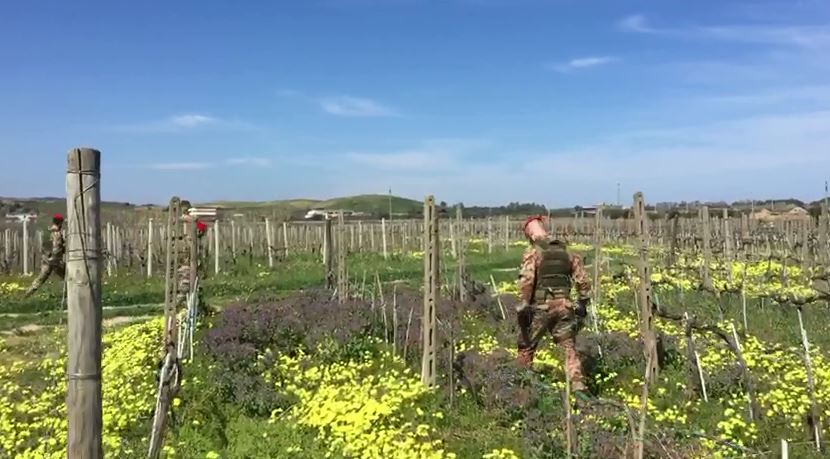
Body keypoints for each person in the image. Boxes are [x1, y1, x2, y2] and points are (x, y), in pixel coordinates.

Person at [516, 215, 592, 395]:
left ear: (531, 235)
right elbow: (583, 282)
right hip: (564, 307)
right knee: (568, 348)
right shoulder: (567, 251)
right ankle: (578, 388)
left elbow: (527, 280)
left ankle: (521, 386)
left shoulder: (534, 252)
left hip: (540, 309)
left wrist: (524, 304)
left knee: (526, 346)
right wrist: (582, 304)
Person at [24, 214, 66, 297]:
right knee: (69, 277)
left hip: (45, 260)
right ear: (60, 223)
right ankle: (71, 296)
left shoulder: (47, 232)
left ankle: (26, 295)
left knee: (40, 279)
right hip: (54, 261)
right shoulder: (56, 234)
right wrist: (60, 256)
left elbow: (45, 246)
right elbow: (56, 248)